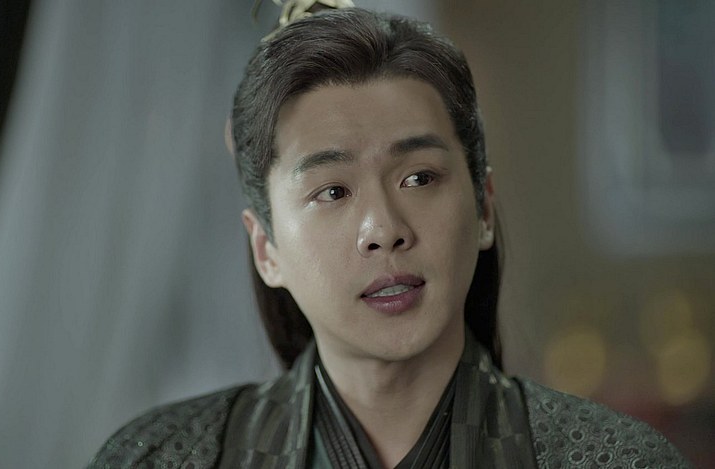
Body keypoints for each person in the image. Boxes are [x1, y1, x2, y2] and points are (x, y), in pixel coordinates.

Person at [90, 6, 689, 468]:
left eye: (419, 177)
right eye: (332, 191)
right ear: (266, 249)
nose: (384, 230)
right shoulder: (164, 458)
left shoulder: (615, 459)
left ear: (483, 207)